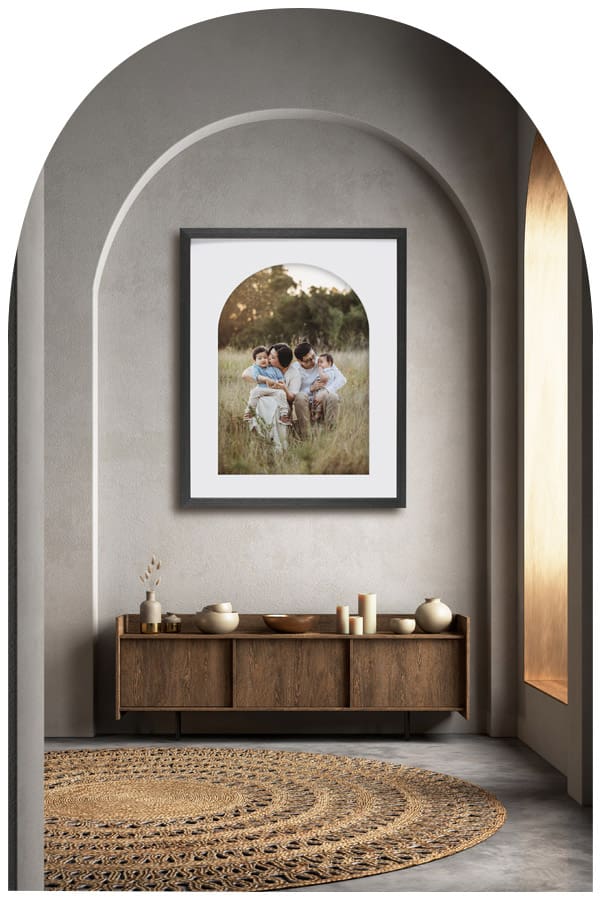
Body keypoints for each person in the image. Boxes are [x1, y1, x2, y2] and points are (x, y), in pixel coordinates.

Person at [241, 343, 301, 451]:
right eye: (269, 355)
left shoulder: (291, 373)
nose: (268, 358)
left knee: (277, 400)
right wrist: (264, 379)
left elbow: (291, 398)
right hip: (264, 395)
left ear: (281, 361)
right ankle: (251, 416)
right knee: (257, 397)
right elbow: (245, 374)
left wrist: (282, 387)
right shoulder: (263, 365)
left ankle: (280, 435)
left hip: (280, 399)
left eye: (272, 357)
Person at [292, 341, 343, 436]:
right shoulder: (295, 369)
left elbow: (342, 379)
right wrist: (310, 388)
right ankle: (306, 436)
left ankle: (330, 435)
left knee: (333, 396)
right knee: (300, 396)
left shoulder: (322, 361)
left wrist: (325, 392)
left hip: (323, 400)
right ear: (299, 361)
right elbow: (294, 392)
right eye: (308, 360)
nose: (313, 361)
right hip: (306, 404)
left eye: (313, 356)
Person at [242, 345, 288, 422]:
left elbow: (281, 378)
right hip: (262, 389)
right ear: (255, 361)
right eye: (259, 358)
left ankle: (284, 415)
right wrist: (266, 379)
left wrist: (280, 383)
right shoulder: (256, 368)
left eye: (265, 357)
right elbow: (257, 376)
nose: (263, 360)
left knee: (282, 393)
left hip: (274, 389)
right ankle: (249, 412)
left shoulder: (274, 369)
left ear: (268, 359)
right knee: (254, 392)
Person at [309, 352, 347, 422]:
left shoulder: (329, 370)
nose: (319, 364)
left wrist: (320, 371)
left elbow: (325, 379)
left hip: (323, 391)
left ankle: (318, 417)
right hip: (315, 393)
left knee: (319, 406)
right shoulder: (322, 364)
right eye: (318, 362)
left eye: (321, 362)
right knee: (315, 405)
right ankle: (315, 419)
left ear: (329, 363)